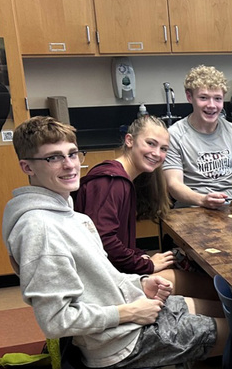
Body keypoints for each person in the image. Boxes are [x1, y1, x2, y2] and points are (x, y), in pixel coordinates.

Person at [2, 116, 227, 369]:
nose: (69, 165)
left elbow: (103, 276)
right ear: (27, 167)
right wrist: (130, 313)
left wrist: (141, 283)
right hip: (121, 342)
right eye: (53, 158)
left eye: (73, 154)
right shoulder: (39, 228)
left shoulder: (67, 212)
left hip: (126, 313)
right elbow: (56, 320)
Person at [74, 116, 174, 276]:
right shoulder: (111, 181)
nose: (157, 153)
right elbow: (103, 240)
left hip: (110, 272)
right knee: (204, 287)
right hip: (103, 279)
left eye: (164, 149)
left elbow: (117, 238)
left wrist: (137, 254)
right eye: (150, 143)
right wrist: (145, 265)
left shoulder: (123, 178)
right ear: (129, 140)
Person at [164, 65, 232, 209]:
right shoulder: (174, 136)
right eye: (203, 98)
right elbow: (173, 184)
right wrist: (202, 200)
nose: (212, 105)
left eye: (217, 98)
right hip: (193, 210)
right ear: (189, 97)